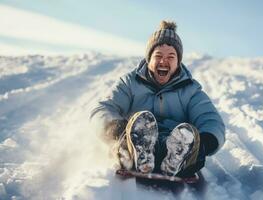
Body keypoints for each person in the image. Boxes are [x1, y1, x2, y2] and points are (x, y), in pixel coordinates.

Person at [90, 20, 225, 177]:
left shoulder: (190, 89)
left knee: (187, 143)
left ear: (178, 61)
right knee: (128, 140)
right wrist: (116, 128)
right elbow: (103, 109)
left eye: (171, 56)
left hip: (174, 140)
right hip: (135, 139)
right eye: (158, 55)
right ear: (149, 59)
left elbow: (210, 119)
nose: (164, 61)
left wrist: (205, 142)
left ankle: (176, 159)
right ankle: (140, 155)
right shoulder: (130, 82)